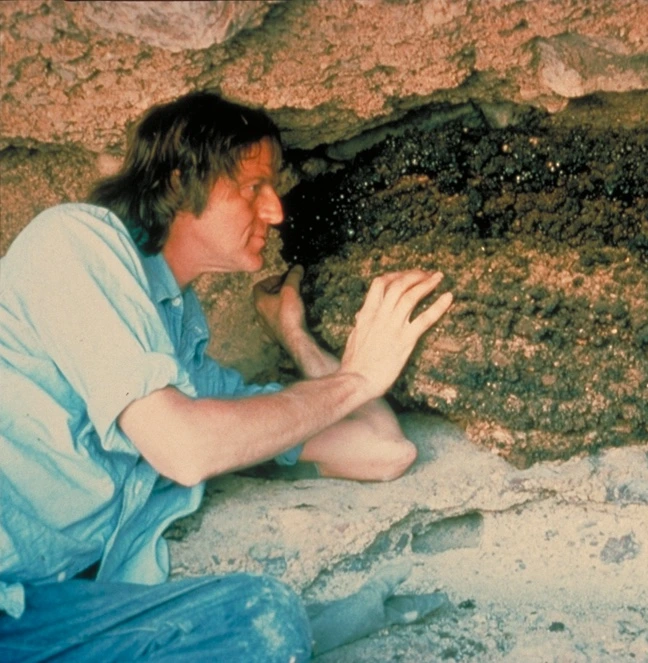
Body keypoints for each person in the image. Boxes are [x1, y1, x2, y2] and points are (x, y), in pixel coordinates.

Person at [0, 91, 453, 661]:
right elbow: (184, 447)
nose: (276, 211)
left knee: (256, 618)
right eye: (253, 187)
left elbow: (384, 452)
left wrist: (296, 338)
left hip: (41, 615)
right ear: (176, 182)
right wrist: (356, 379)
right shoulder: (74, 244)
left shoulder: (181, 356)